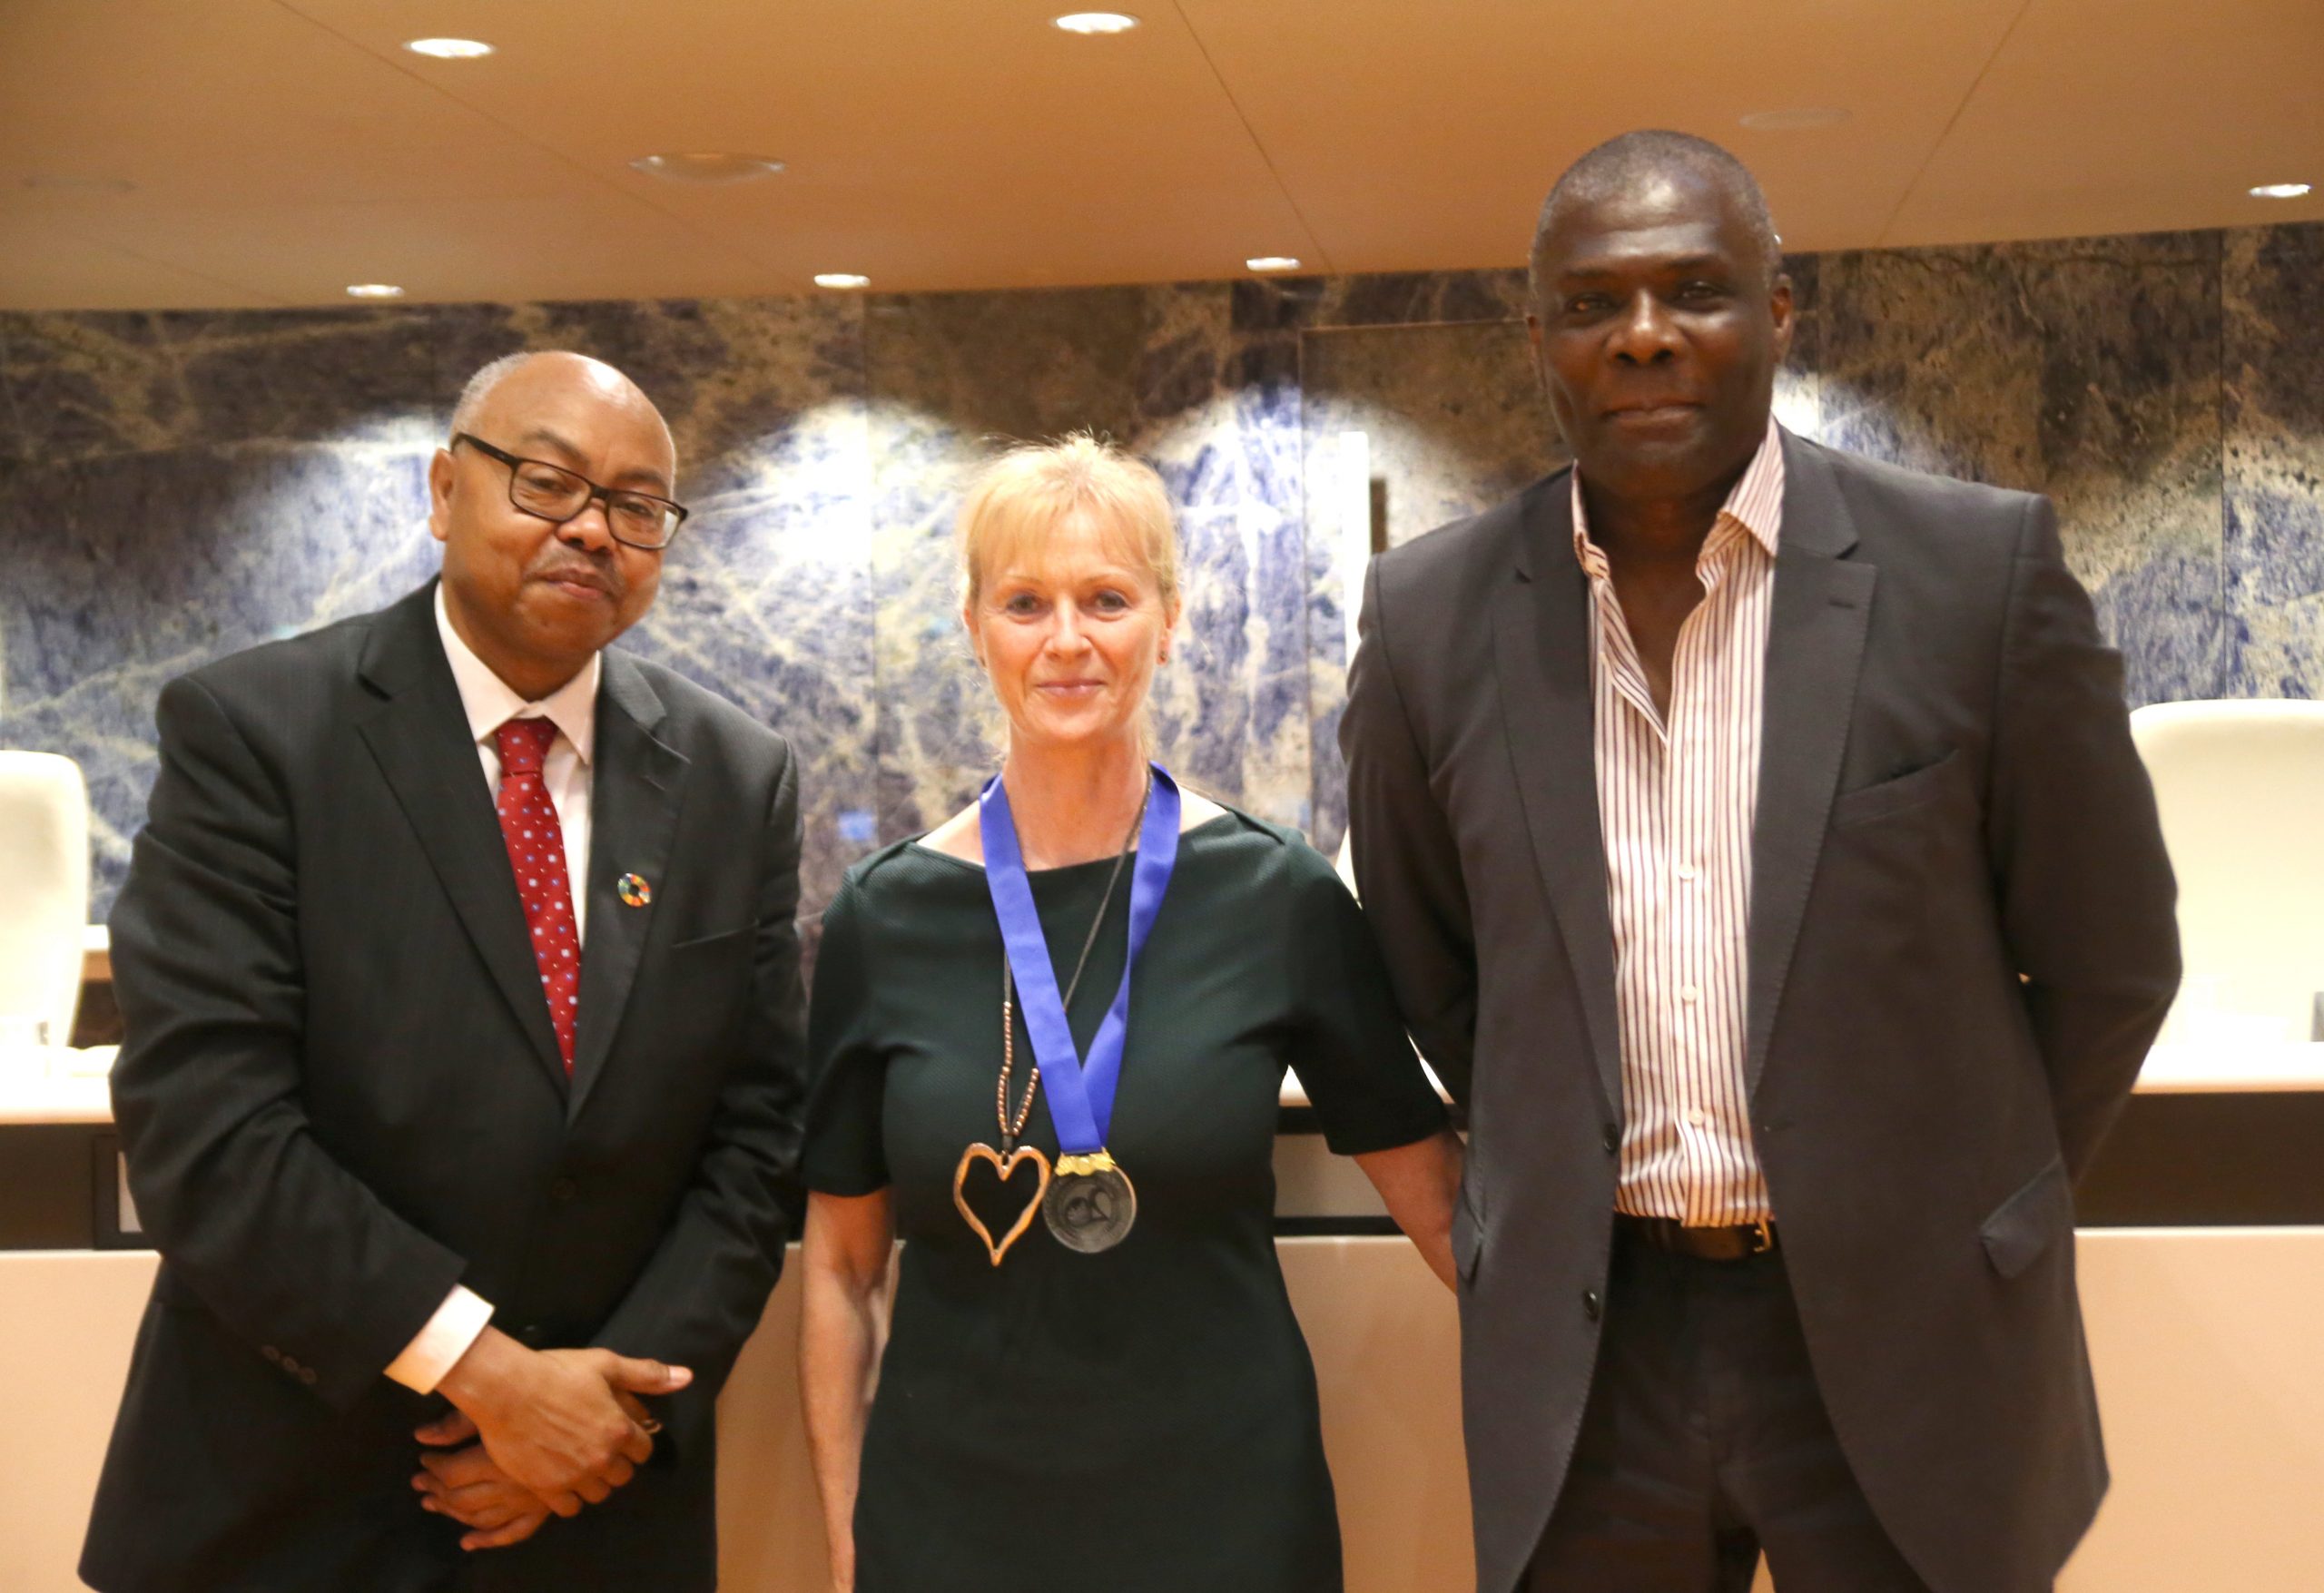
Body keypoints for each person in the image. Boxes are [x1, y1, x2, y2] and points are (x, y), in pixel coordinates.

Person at [1340, 131, 2181, 1593]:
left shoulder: (1976, 576)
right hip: (1593, 1360)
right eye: (1594, 303)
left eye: (1695, 290)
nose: (1644, 336)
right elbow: (1432, 965)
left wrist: (1973, 1209)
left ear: (1779, 310)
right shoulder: (1429, 618)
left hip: (1914, 1336)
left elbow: (2110, 960)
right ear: (1537, 337)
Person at [81, 351, 807, 1592]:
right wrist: (488, 1374)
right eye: (547, 481)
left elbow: (756, 1137)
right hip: (292, 1502)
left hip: (594, 1506)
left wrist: (610, 1411)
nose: (592, 528)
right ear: (443, 489)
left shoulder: (737, 777)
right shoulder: (256, 732)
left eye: (637, 506)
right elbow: (206, 1127)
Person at [797, 434, 1462, 1593]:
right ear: (975, 627)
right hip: (949, 1519)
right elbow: (842, 1271)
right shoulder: (884, 914)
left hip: (1225, 1513)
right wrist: (852, 1537)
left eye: (1106, 599)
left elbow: (1447, 1215)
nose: (1066, 639)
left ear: (1167, 620)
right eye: (1025, 603)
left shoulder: (1276, 894)